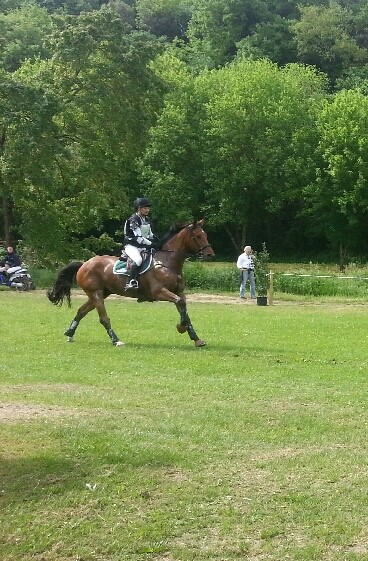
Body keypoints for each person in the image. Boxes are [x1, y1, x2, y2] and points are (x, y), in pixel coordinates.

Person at [122, 197, 158, 289]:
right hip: (131, 246)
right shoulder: (134, 219)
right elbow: (138, 237)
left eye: (148, 208)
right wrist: (150, 243)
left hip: (143, 246)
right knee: (138, 260)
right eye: (145, 208)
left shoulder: (147, 219)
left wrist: (156, 239)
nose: (147, 210)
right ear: (139, 208)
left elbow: (149, 234)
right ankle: (130, 281)